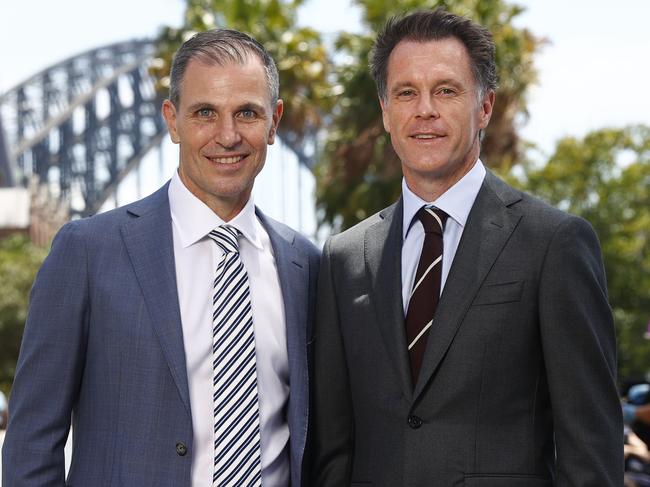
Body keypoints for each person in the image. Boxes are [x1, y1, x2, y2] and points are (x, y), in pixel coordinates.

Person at [311, 9, 622, 486]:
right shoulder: (344, 258)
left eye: (447, 90)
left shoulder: (554, 243)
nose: (425, 110)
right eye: (406, 92)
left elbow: (590, 450)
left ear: (485, 107)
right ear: (386, 112)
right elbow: (333, 451)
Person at [2, 29, 319, 487]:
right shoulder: (88, 253)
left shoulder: (305, 265)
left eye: (247, 113)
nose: (227, 136)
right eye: (204, 113)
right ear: (172, 120)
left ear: (274, 122)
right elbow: (31, 442)